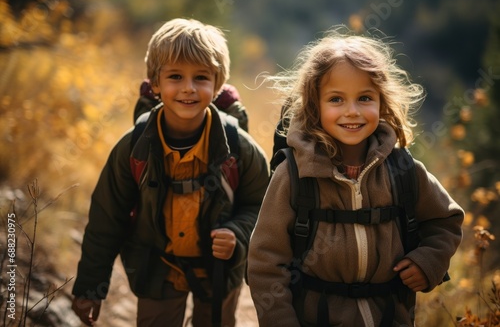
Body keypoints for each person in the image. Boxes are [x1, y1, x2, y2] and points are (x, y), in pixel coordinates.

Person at [247, 26, 464, 326]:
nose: (352, 111)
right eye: (336, 99)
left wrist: (429, 261)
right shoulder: (293, 176)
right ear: (315, 105)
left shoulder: (403, 170)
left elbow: (447, 221)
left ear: (381, 102)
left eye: (364, 98)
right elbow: (264, 264)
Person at [71, 18, 269, 327]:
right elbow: (106, 219)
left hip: (219, 273)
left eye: (201, 77)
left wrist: (238, 233)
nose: (189, 88)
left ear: (217, 85)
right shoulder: (133, 148)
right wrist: (89, 287)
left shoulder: (240, 148)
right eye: (175, 76)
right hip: (157, 270)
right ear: (155, 83)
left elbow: (263, 207)